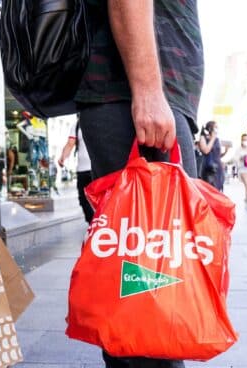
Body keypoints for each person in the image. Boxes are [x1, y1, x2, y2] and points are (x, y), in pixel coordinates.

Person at [74, 1, 203, 367]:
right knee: (154, 288)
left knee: (135, 280)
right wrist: (147, 90)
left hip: (134, 94)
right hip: (132, 95)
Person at [59, 121, 94, 224]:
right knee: (83, 200)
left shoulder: (100, 119)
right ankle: (92, 224)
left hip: (96, 168)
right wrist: (63, 157)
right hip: (82, 169)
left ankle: (102, 224)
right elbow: (70, 144)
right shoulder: (77, 125)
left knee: (101, 199)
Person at [198, 120, 227, 191]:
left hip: (218, 168)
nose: (217, 129)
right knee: (209, 190)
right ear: (210, 128)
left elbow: (218, 155)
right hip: (209, 169)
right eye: (215, 127)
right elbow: (205, 150)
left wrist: (226, 151)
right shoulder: (203, 138)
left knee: (218, 190)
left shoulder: (217, 139)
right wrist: (213, 138)